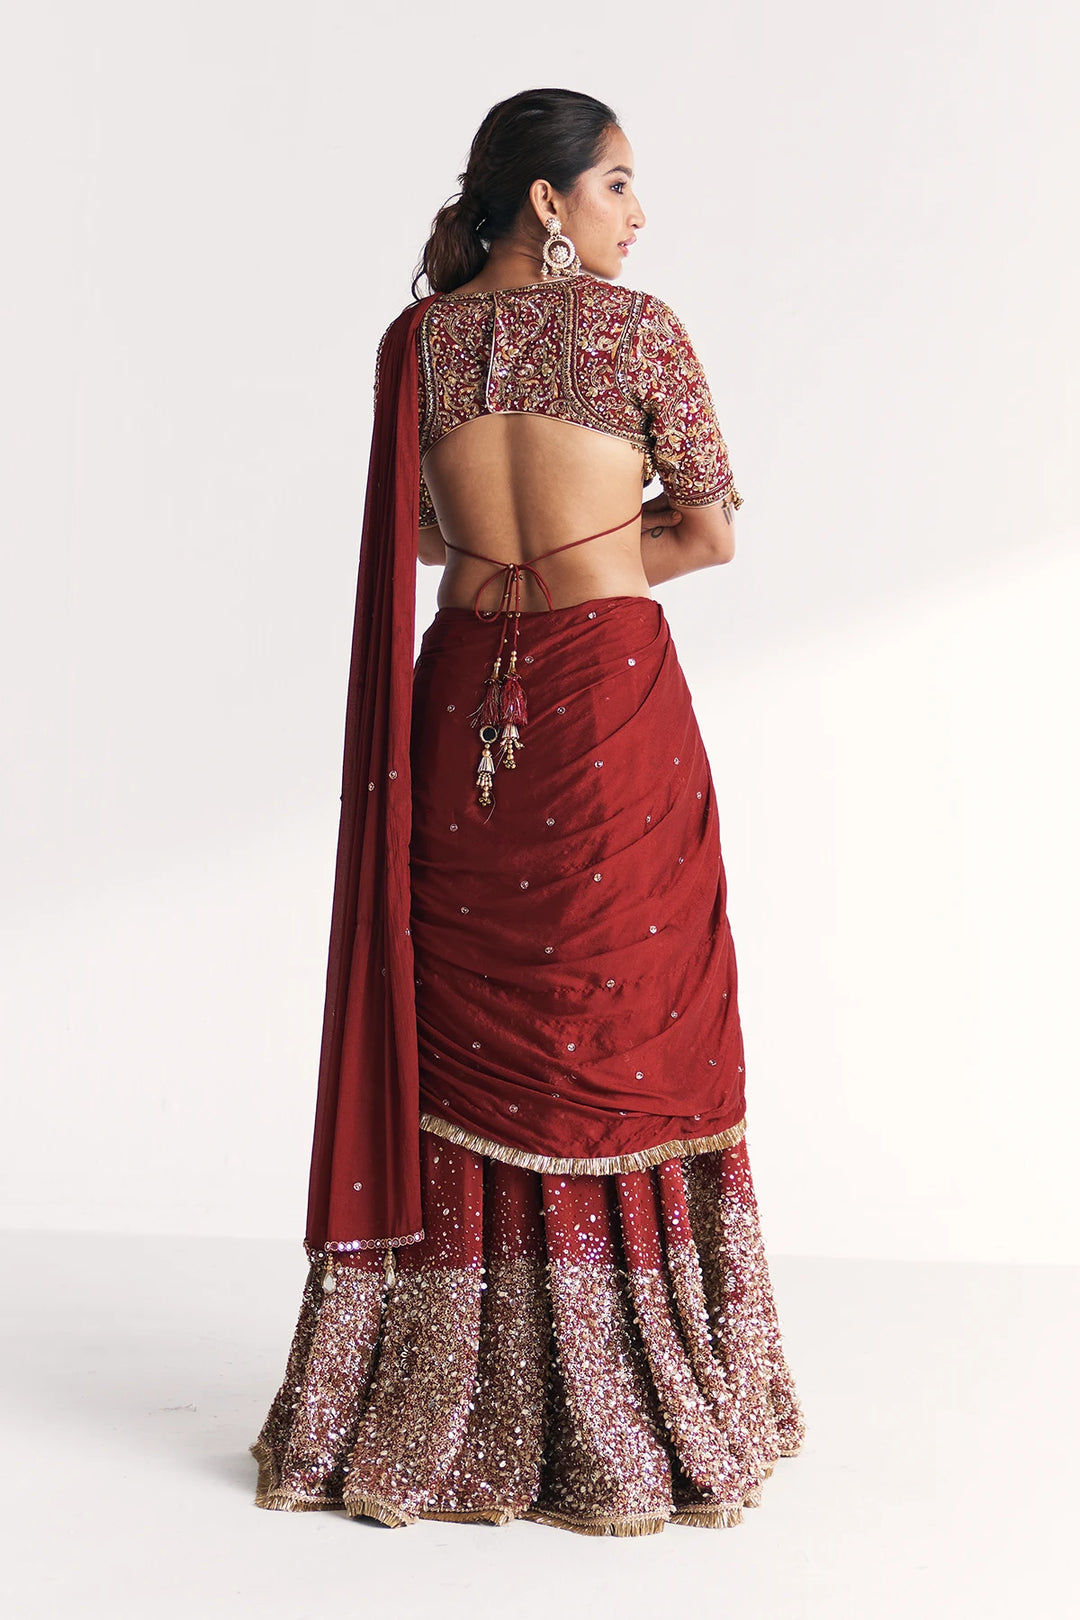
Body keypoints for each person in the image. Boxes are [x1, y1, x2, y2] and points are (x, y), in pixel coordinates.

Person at [250, 87, 805, 1538]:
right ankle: (636, 1401)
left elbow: (419, 536)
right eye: (619, 182)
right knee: (617, 1012)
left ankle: (440, 1394)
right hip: (601, 692)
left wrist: (509, 558)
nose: (639, 212)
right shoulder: (639, 332)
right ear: (547, 203)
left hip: (456, 697)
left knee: (467, 1015)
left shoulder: (415, 347)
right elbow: (713, 527)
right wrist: (597, 564)